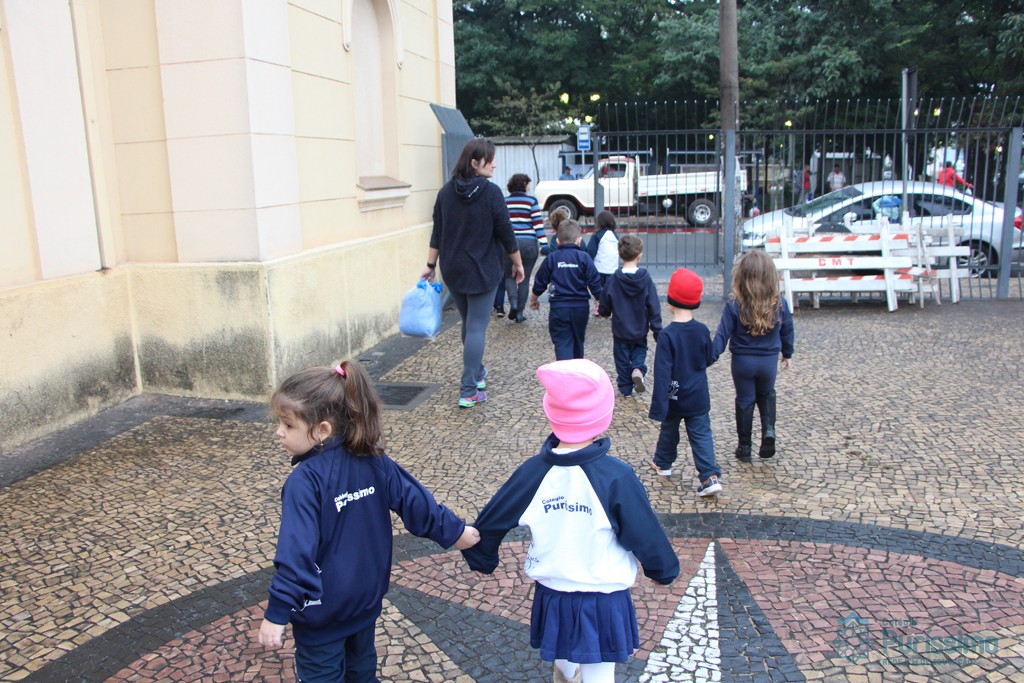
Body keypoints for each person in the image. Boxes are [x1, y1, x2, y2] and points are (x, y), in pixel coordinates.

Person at [257, 360, 480, 681]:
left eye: (288, 425)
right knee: (362, 674)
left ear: (323, 430)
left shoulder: (304, 481)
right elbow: (419, 505)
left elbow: (296, 554)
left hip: (321, 617)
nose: (279, 432)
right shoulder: (373, 459)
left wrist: (277, 613)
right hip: (364, 604)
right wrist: (458, 533)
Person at [462, 358, 680, 683]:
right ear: (604, 415)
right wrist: (663, 569)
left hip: (553, 592)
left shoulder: (532, 473)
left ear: (551, 412)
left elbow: (493, 519)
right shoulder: (616, 476)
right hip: (603, 598)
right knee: (599, 673)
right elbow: (644, 532)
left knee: (563, 662)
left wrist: (483, 556)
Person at [423, 138, 525, 408]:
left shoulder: (445, 193)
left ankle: (477, 373)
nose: (494, 164)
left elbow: (437, 233)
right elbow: (506, 233)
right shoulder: (491, 193)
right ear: (474, 162)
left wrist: (430, 265)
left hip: (453, 269)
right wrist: (518, 264)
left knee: (469, 324)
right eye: (489, 159)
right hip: (483, 270)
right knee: (476, 327)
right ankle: (468, 390)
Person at [712, 250, 794, 462]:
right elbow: (788, 330)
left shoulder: (734, 305)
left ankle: (745, 446)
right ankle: (768, 431)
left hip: (742, 363)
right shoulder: (780, 303)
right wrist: (787, 353)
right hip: (768, 362)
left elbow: (722, 335)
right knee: (766, 394)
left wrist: (711, 355)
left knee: (745, 399)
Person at [649, 268, 722, 497]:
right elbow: (708, 358)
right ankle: (709, 476)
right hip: (698, 395)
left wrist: (658, 405)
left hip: (674, 395)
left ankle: (663, 463)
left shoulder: (667, 335)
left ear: (670, 301)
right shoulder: (702, 330)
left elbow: (662, 373)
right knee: (701, 435)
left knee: (669, 430)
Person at [528, 217, 603, 360]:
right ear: (579, 240)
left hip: (559, 308)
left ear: (557, 241)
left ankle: (564, 368)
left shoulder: (552, 258)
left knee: (562, 342)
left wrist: (533, 299)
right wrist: (602, 301)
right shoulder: (584, 258)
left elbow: (540, 282)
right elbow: (595, 283)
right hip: (580, 308)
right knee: (578, 341)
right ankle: (576, 367)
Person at [597, 234, 662, 397]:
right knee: (640, 351)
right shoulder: (645, 279)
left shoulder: (614, 279)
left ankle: (625, 387)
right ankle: (638, 369)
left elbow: (605, 301)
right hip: (640, 328)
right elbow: (653, 304)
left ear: (619, 254)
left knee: (622, 358)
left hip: (620, 329)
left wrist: (604, 312)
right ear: (640, 255)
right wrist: (657, 329)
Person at [504, 173, 550, 323]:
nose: (529, 187)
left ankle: (513, 303)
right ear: (524, 184)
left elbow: (500, 224)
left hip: (509, 243)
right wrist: (544, 245)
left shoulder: (504, 201)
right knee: (524, 279)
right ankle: (519, 312)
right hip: (529, 243)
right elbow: (538, 224)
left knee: (509, 276)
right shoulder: (531, 201)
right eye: (528, 184)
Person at [586, 211, 620, 295]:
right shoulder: (615, 236)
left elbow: (590, 251)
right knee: (611, 293)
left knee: (599, 294)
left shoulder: (597, 235)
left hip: (599, 269)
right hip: (613, 269)